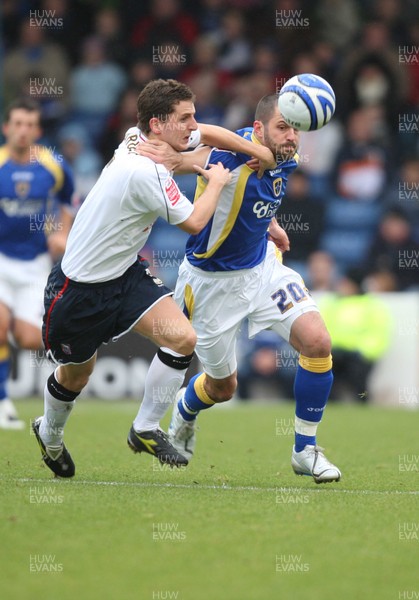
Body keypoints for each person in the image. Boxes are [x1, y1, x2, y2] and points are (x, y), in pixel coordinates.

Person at [32, 78, 276, 477]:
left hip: (125, 276)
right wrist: (214, 179)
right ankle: (50, 434)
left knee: (183, 339)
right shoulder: (144, 172)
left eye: (192, 116)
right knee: (78, 374)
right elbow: (197, 220)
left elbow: (208, 135)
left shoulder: (137, 134)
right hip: (78, 291)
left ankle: (145, 427)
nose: (193, 125)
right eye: (185, 119)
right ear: (158, 126)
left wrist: (255, 152)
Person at [138, 93, 342, 483]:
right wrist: (178, 160)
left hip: (263, 267)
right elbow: (200, 137)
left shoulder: (286, 156)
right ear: (259, 129)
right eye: (283, 128)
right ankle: (184, 408)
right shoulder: (229, 155)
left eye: (296, 129)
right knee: (222, 387)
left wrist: (270, 224)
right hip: (211, 284)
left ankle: (305, 450)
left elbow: (258, 195)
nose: (291, 138)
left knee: (317, 341)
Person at [0, 98, 74, 429]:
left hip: (35, 265)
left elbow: (67, 203)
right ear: (7, 128)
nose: (23, 131)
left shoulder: (53, 166)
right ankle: (2, 401)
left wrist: (62, 233)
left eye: (30, 124)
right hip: (1, 259)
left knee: (29, 339)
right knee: (0, 327)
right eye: (17, 123)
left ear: (38, 130)